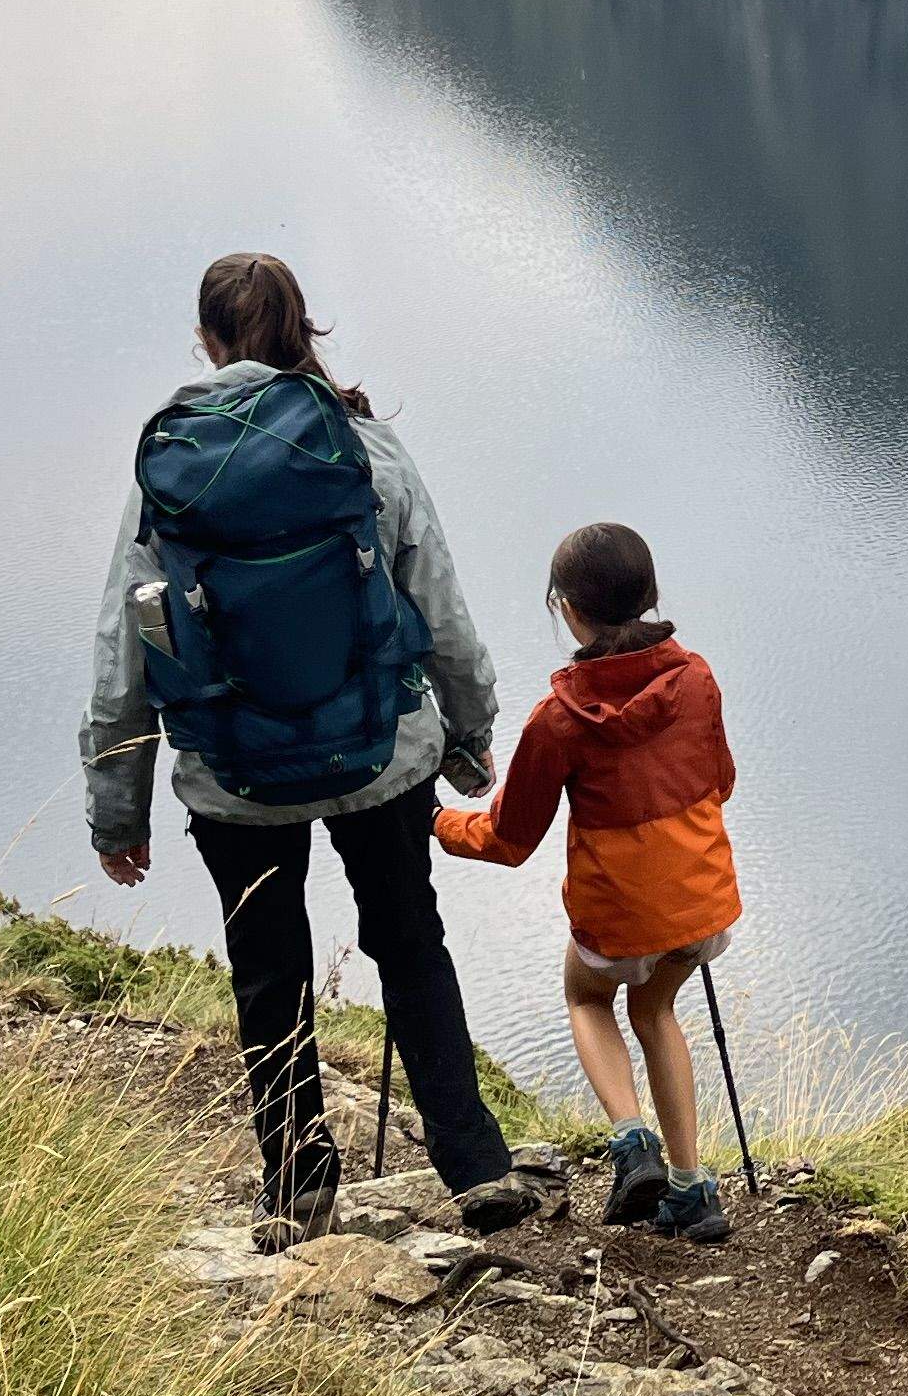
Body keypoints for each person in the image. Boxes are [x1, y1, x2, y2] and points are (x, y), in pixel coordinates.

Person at [84, 252, 537, 1243]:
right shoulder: (363, 445)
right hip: (382, 752)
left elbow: (128, 643)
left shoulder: (171, 469)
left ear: (206, 340)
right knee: (409, 941)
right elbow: (439, 606)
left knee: (268, 968)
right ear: (305, 329)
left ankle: (298, 1186)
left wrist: (119, 810)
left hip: (233, 773)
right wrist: (469, 734)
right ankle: (475, 1167)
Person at [434, 520, 745, 1243]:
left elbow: (510, 840)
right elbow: (722, 781)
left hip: (617, 916)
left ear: (568, 610)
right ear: (650, 594)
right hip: (702, 901)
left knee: (587, 995)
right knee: (656, 1012)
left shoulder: (559, 719)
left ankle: (632, 1142)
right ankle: (691, 1190)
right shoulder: (696, 678)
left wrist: (438, 822)